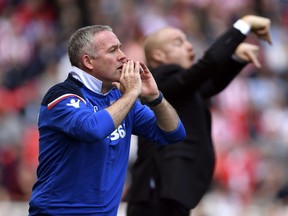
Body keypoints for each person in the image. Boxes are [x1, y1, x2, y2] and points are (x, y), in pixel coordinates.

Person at [28, 25, 186, 216]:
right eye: (113, 50)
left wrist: (155, 97)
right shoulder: (61, 95)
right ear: (88, 61)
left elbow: (174, 133)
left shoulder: (119, 99)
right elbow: (92, 129)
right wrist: (132, 94)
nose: (123, 56)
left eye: (120, 47)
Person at [126, 15, 272, 216]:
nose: (188, 46)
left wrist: (236, 59)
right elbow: (208, 65)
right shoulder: (158, 81)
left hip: (168, 193)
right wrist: (243, 25)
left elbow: (209, 85)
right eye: (178, 42)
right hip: (158, 193)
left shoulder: (181, 87)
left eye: (187, 40)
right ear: (159, 56)